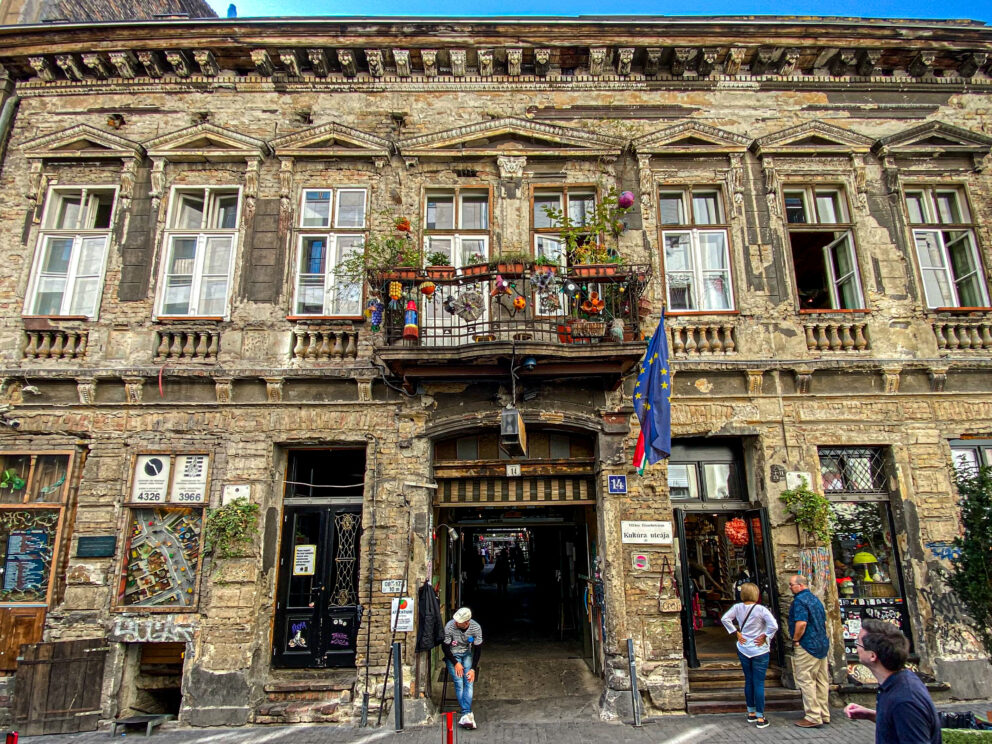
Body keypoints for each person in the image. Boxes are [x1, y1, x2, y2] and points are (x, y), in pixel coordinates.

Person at [843, 619, 941, 744]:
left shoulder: (904, 701)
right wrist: (871, 715)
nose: (856, 647)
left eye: (859, 643)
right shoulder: (897, 682)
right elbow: (898, 723)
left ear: (873, 656)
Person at [721, 582, 779, 728]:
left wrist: (736, 632)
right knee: (758, 682)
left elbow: (725, 619)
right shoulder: (761, 609)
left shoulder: (737, 608)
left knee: (749, 680)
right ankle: (760, 717)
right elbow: (774, 625)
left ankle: (751, 712)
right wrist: (765, 635)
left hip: (744, 648)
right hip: (759, 649)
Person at [787, 574, 830, 728]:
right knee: (821, 680)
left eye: (791, 585)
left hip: (807, 644)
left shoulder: (799, 601)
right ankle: (824, 713)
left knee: (806, 679)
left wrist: (796, 639)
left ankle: (812, 715)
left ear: (800, 585)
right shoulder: (815, 599)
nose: (790, 587)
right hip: (821, 643)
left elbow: (801, 623)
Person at [442, 606, 483, 730]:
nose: (455, 622)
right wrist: (455, 663)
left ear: (466, 622)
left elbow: (478, 649)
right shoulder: (449, 627)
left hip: (466, 653)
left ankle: (466, 715)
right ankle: (467, 713)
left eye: (459, 621)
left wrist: (473, 669)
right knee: (459, 682)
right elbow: (445, 647)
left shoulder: (476, 628)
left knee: (469, 681)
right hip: (452, 655)